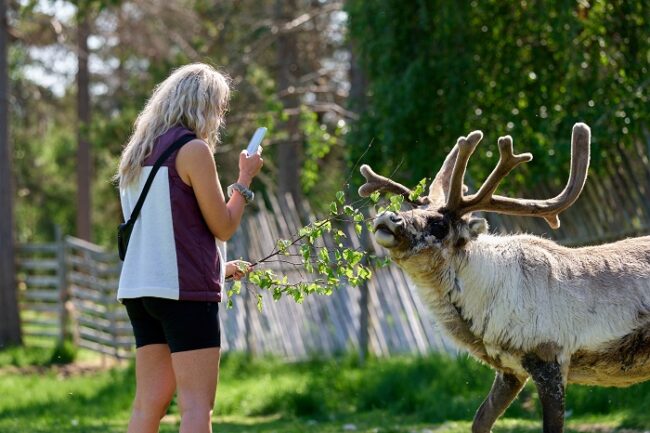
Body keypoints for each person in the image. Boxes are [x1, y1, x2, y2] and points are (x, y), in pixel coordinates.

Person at [115, 63, 263, 433]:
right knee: (197, 406)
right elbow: (223, 227)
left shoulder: (136, 154)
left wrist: (220, 270)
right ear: (204, 105)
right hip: (184, 294)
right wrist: (244, 180)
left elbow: (165, 233)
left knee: (148, 404)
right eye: (219, 107)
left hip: (141, 290)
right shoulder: (193, 150)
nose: (220, 116)